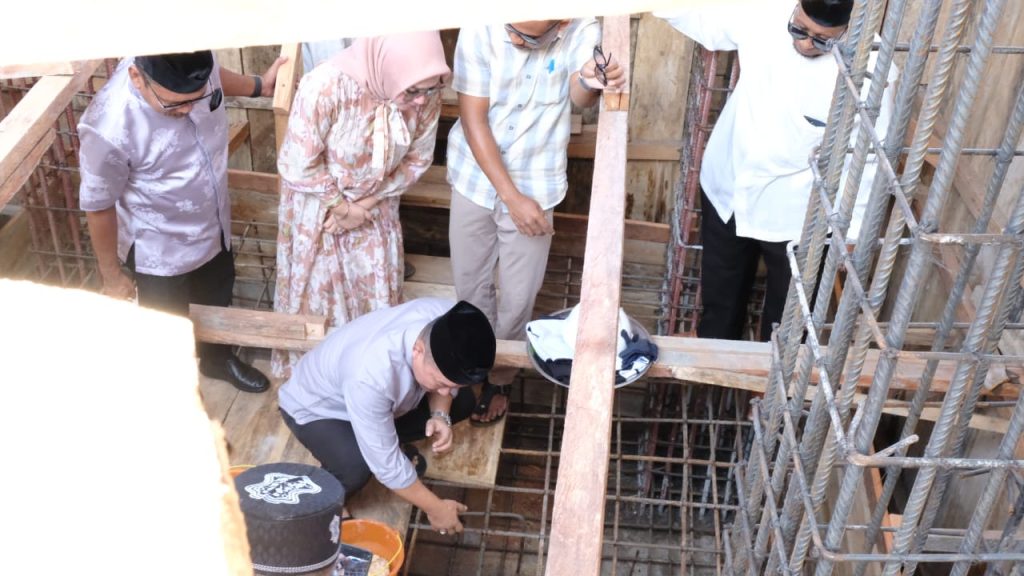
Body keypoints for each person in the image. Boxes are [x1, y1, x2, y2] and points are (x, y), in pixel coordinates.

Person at [657, 0, 897, 342]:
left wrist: (854, 233)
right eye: (798, 29)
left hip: (795, 216)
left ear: (847, 29)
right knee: (720, 306)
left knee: (786, 329)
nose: (805, 43)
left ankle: (769, 391)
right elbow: (703, 21)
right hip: (729, 186)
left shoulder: (873, 69)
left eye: (822, 40)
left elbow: (871, 155)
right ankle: (712, 369)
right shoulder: (765, 11)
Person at [446, 19, 626, 425]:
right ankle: (472, 366)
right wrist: (512, 199)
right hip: (474, 177)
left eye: (525, 37)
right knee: (469, 285)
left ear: (561, 21)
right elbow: (474, 119)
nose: (511, 38)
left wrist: (589, 78)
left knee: (518, 299)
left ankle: (501, 378)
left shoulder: (581, 30)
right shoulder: (482, 26)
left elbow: (580, 97)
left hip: (538, 182)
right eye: (510, 26)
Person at [79, 51, 287, 393]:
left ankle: (217, 359)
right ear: (136, 77)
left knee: (217, 293)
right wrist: (112, 277)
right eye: (174, 104)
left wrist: (258, 85)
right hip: (158, 247)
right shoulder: (109, 126)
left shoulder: (190, 64)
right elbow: (99, 205)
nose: (188, 110)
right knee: (165, 325)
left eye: (197, 99)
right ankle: (169, 390)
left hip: (212, 221)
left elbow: (215, 75)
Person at [272, 31, 450, 378]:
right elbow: (297, 162)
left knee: (372, 305)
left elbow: (418, 159)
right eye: (413, 91)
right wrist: (342, 208)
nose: (420, 100)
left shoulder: (426, 92)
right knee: (322, 304)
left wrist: (365, 204)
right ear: (388, 67)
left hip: (375, 208)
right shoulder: (326, 86)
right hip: (321, 213)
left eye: (429, 89)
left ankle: (365, 379)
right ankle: (318, 382)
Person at [278, 298, 496, 536]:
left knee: (462, 401)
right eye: (441, 383)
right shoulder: (370, 376)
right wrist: (436, 509)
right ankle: (330, 501)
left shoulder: (448, 320)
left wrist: (440, 414)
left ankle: (380, 433)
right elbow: (388, 467)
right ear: (418, 350)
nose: (445, 391)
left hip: (376, 402)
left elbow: (447, 388)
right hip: (318, 408)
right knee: (356, 467)